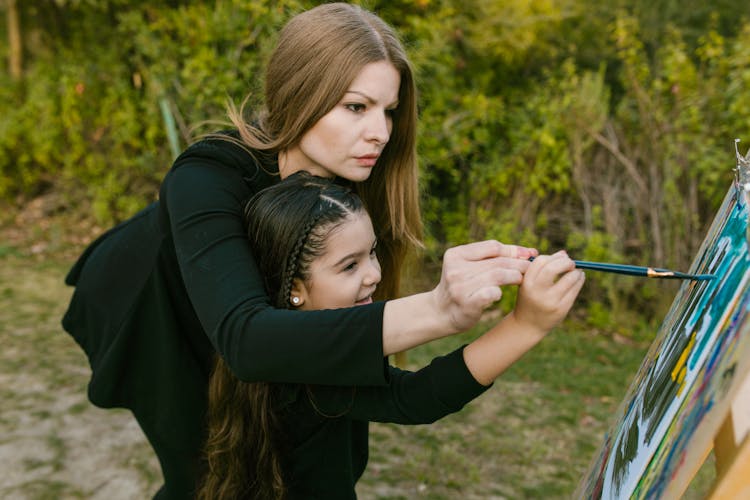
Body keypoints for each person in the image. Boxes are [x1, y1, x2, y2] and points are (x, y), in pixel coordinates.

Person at [61, 3, 537, 498]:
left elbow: (368, 376)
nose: (381, 131)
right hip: (163, 317)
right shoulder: (207, 176)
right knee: (209, 473)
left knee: (322, 460)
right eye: (356, 107)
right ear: (299, 95)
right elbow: (246, 341)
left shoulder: (352, 178)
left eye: (389, 110)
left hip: (265, 330)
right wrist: (440, 309)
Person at [197, 172, 585, 500]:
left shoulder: (278, 348)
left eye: (372, 253)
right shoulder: (303, 375)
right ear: (295, 287)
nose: (374, 274)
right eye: (349, 266)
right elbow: (416, 397)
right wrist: (525, 326)